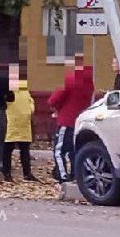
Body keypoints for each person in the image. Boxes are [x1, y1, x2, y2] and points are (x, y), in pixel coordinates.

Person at [48, 54, 95, 183]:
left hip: (66, 120)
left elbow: (54, 99)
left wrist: (55, 107)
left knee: (59, 150)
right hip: (79, 121)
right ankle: (76, 175)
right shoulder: (89, 82)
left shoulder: (70, 79)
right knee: (74, 150)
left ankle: (62, 176)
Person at [3, 76, 38, 183]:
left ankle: (25, 173)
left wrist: (29, 110)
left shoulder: (23, 89)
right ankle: (9, 173)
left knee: (23, 150)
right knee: (10, 149)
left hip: (21, 122)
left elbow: (30, 101)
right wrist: (29, 110)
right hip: (13, 121)